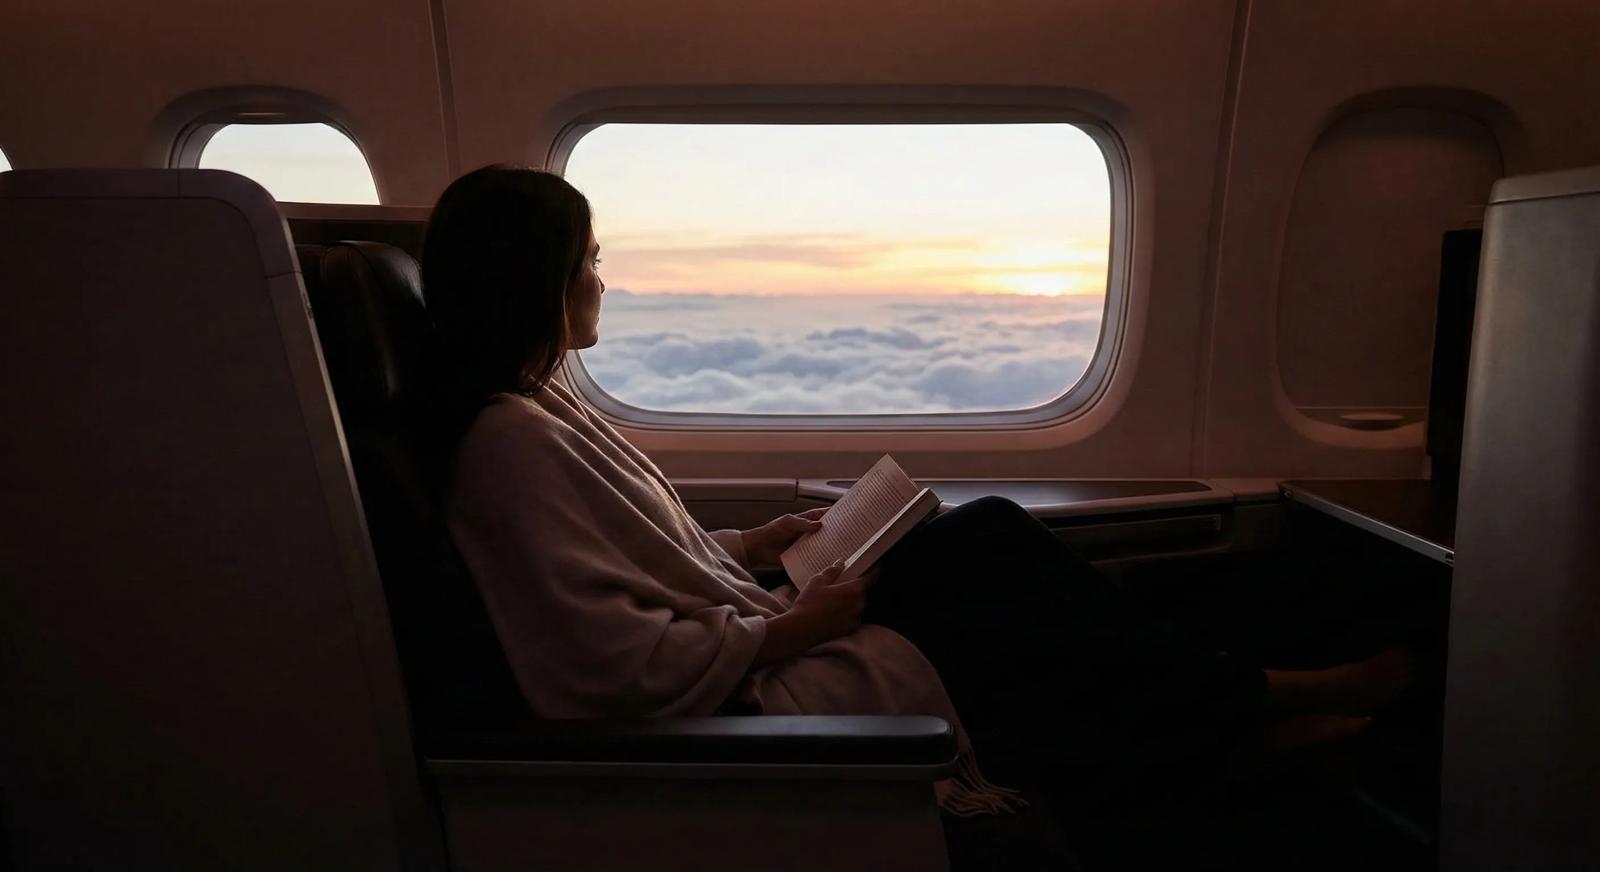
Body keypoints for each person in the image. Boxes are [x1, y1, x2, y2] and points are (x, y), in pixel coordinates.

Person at [421, 165, 1412, 863]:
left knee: (986, 532)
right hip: (738, 685)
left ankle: (1232, 703)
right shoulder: (508, 443)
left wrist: (749, 544)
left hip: (749, 619)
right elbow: (602, 661)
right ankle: (1258, 703)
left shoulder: (538, 404)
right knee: (1009, 635)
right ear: (538, 283)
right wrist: (788, 627)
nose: (605, 278)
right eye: (589, 259)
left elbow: (633, 557)